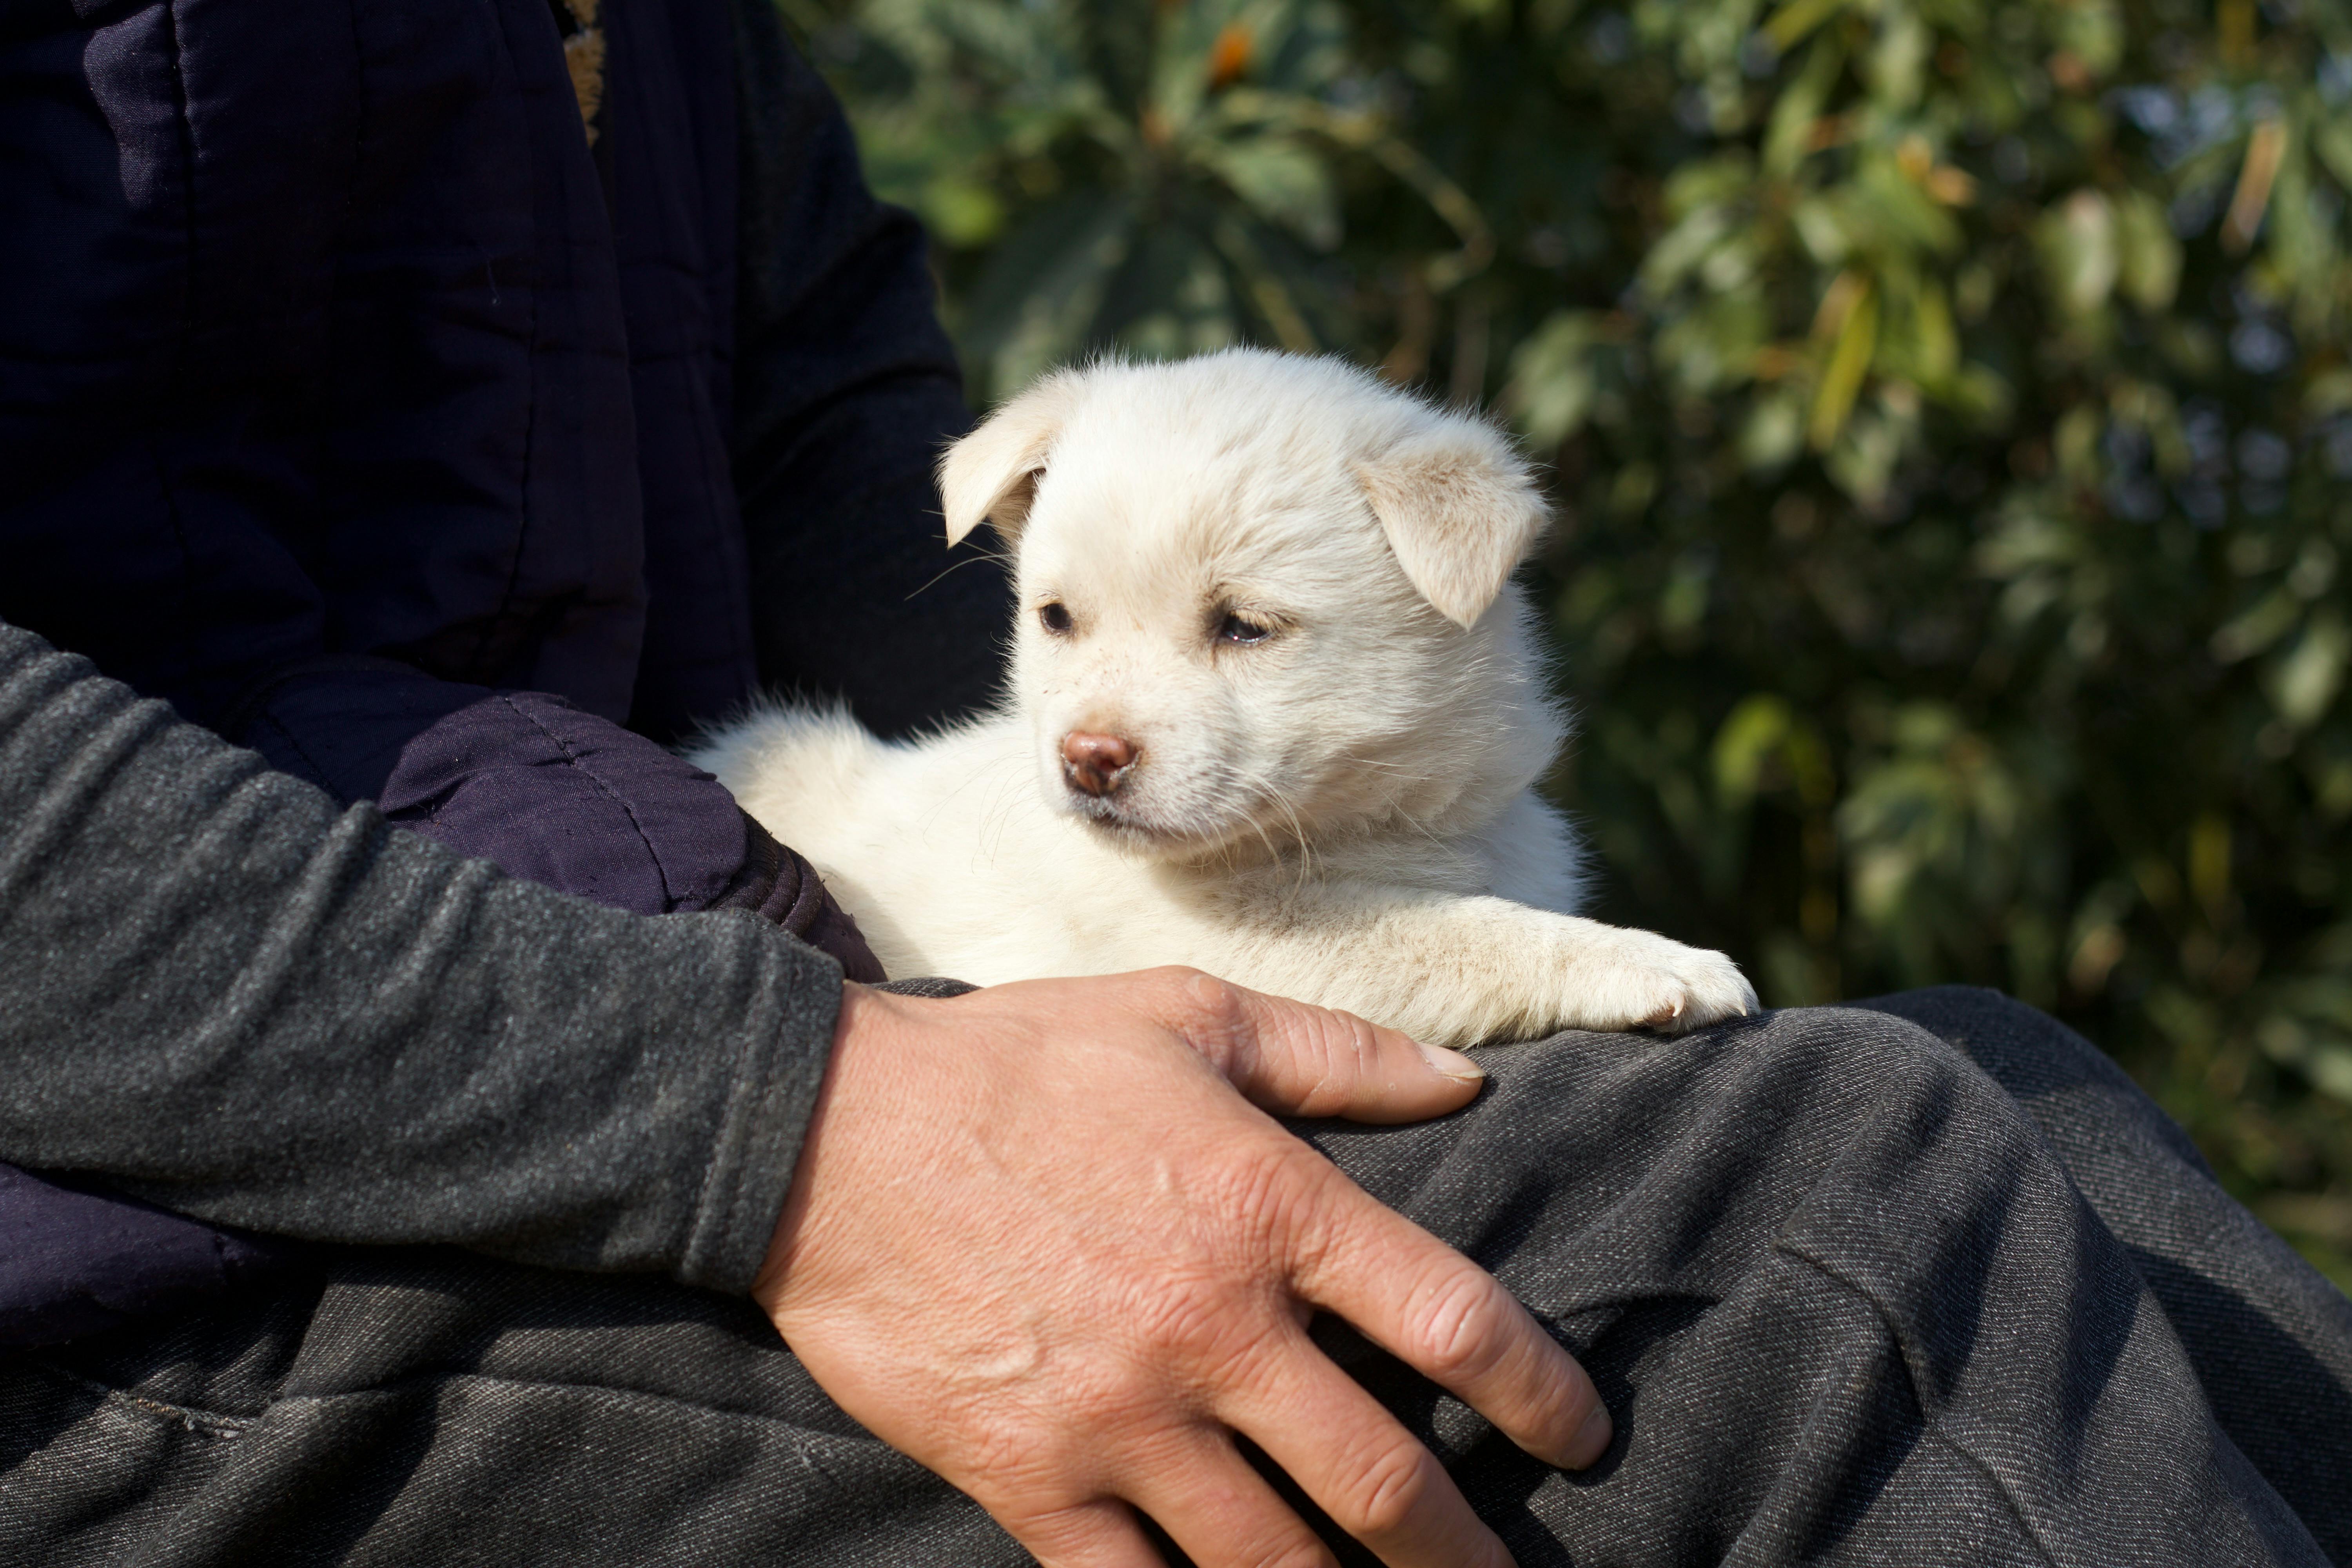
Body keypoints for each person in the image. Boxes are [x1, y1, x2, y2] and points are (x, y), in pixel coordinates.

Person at [1, 3, 2346, 1564]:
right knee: (1826, 1235)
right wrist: (785, 1122)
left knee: (1998, 1095)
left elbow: (859, 484)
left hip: (673, 1002)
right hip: (164, 1244)